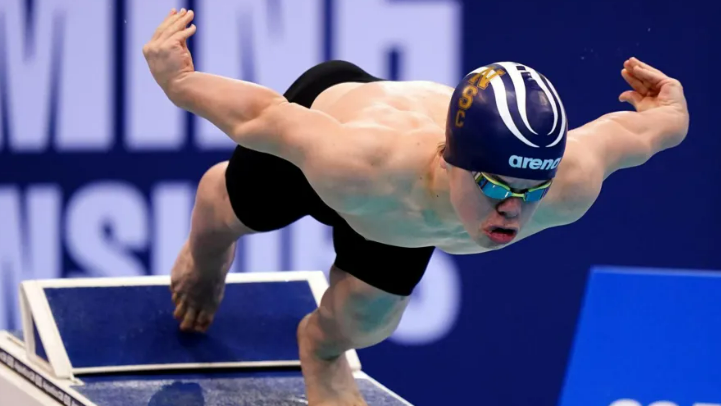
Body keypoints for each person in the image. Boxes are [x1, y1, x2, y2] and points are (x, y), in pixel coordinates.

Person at [143, 8, 689, 406]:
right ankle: (209, 250)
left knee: (369, 322)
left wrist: (671, 109)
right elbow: (263, 116)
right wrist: (182, 80)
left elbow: (647, 131)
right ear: (452, 160)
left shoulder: (570, 183)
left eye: (531, 191)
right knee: (230, 211)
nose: (513, 212)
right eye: (496, 188)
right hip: (337, 133)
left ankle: (321, 350)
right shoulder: (358, 161)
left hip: (403, 220)